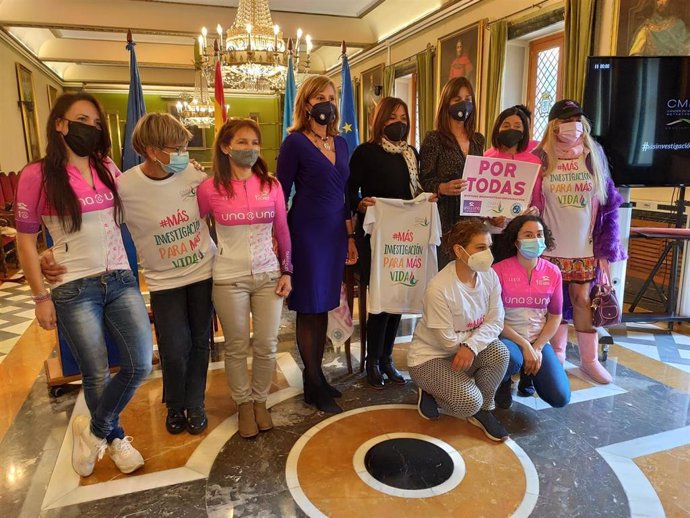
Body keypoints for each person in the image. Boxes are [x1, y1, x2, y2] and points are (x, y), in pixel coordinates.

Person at [15, 93, 152, 477]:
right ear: (60, 124)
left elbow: (141, 197)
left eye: (95, 123)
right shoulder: (37, 175)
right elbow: (26, 239)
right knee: (94, 372)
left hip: (121, 278)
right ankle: (115, 437)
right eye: (81, 119)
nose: (90, 128)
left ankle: (92, 433)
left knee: (139, 364)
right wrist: (40, 294)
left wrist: (180, 173)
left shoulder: (106, 165)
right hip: (73, 286)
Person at [121, 113, 216, 436]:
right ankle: (175, 404)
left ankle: (195, 403)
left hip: (203, 270)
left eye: (183, 147)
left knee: (201, 341)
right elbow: (103, 225)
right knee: (174, 347)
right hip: (163, 280)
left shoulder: (193, 175)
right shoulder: (126, 187)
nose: (182, 155)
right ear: (151, 150)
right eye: (175, 148)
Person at [198, 118, 292, 438]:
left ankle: (260, 401)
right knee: (237, 346)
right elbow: (193, 229)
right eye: (242, 142)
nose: (250, 148)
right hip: (227, 278)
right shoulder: (209, 189)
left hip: (268, 275)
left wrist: (287, 270)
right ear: (225, 147)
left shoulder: (272, 185)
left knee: (266, 344)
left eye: (254, 142)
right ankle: (243, 405)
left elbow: (282, 230)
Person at [277, 75, 358, 414]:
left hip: (335, 234)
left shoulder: (341, 144)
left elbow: (347, 194)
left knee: (324, 304)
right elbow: (280, 193)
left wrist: (351, 236)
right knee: (308, 308)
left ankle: (318, 378)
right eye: (320, 96)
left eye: (332, 96)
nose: (328, 102)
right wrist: (280, 244)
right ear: (306, 103)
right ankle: (312, 380)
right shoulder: (294, 142)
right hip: (306, 232)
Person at [530, 99, 626, 384]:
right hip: (550, 247)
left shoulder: (593, 154)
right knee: (554, 302)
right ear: (553, 125)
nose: (572, 125)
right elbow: (532, 200)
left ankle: (589, 359)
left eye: (577, 118)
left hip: (584, 246)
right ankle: (557, 353)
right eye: (565, 119)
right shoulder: (541, 157)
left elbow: (608, 204)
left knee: (583, 300)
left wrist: (605, 248)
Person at [407, 218, 510, 442]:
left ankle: (483, 410)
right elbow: (446, 341)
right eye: (480, 248)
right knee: (467, 402)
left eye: (489, 247)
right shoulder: (439, 288)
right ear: (459, 250)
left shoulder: (489, 276)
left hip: (464, 352)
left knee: (500, 353)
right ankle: (432, 388)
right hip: (429, 358)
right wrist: (471, 344)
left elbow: (496, 320)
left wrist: (471, 346)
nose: (488, 254)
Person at [349, 96, 421, 389]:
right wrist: (359, 203)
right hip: (375, 237)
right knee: (380, 302)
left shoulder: (412, 154)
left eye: (403, 117)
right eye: (392, 117)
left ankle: (388, 358)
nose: (399, 123)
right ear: (380, 120)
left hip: (406, 238)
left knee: (398, 300)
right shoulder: (365, 152)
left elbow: (418, 190)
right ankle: (372, 362)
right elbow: (349, 192)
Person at [492, 215, 570, 409]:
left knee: (560, 397)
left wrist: (537, 347)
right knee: (512, 359)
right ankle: (504, 381)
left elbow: (555, 315)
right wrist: (525, 346)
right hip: (507, 338)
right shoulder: (498, 270)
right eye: (528, 234)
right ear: (516, 240)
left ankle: (529, 375)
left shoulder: (553, 272)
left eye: (539, 234)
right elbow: (494, 317)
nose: (535, 239)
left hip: (538, 340)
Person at [419, 76, 485, 268]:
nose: (464, 104)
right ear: (447, 102)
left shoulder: (478, 140)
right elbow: (423, 180)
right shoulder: (434, 139)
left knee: (472, 271)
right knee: (446, 273)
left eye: (468, 99)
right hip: (445, 218)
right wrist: (442, 187)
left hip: (473, 217)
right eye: (457, 99)